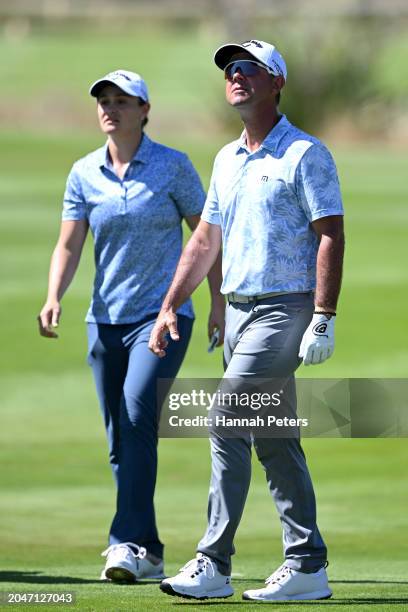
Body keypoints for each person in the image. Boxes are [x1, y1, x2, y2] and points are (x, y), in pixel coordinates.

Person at [149, 40, 345, 602]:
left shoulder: (305, 153)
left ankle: (213, 562)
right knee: (273, 438)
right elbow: (205, 239)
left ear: (276, 82)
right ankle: (308, 564)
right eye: (229, 70)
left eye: (247, 69)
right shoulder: (225, 158)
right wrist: (169, 306)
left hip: (285, 309)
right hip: (237, 312)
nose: (234, 76)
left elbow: (329, 232)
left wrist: (324, 317)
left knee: (225, 418)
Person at [37, 69, 224, 583]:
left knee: (139, 411)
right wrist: (54, 295)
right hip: (104, 318)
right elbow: (70, 244)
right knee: (121, 438)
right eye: (103, 100)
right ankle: (151, 550)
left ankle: (126, 543)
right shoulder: (83, 173)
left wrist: (217, 303)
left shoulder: (173, 167)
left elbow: (205, 239)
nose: (110, 109)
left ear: (145, 110)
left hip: (162, 316)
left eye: (122, 101)